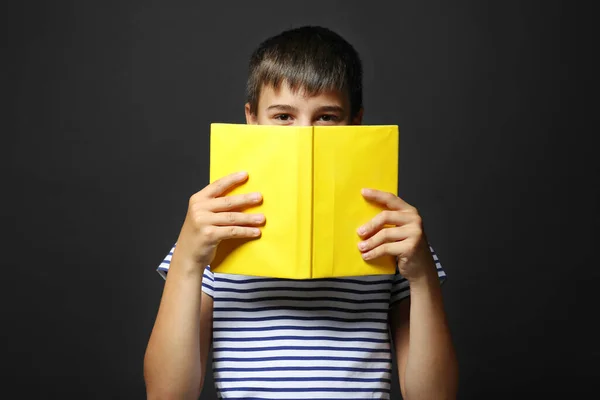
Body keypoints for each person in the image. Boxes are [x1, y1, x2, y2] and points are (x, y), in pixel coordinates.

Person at [144, 25, 458, 399]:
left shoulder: (390, 233)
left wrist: (422, 276)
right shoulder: (214, 231)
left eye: (326, 117)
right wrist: (188, 260)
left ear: (354, 124)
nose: (303, 135)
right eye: (282, 117)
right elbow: (167, 394)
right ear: (252, 120)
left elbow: (434, 396)